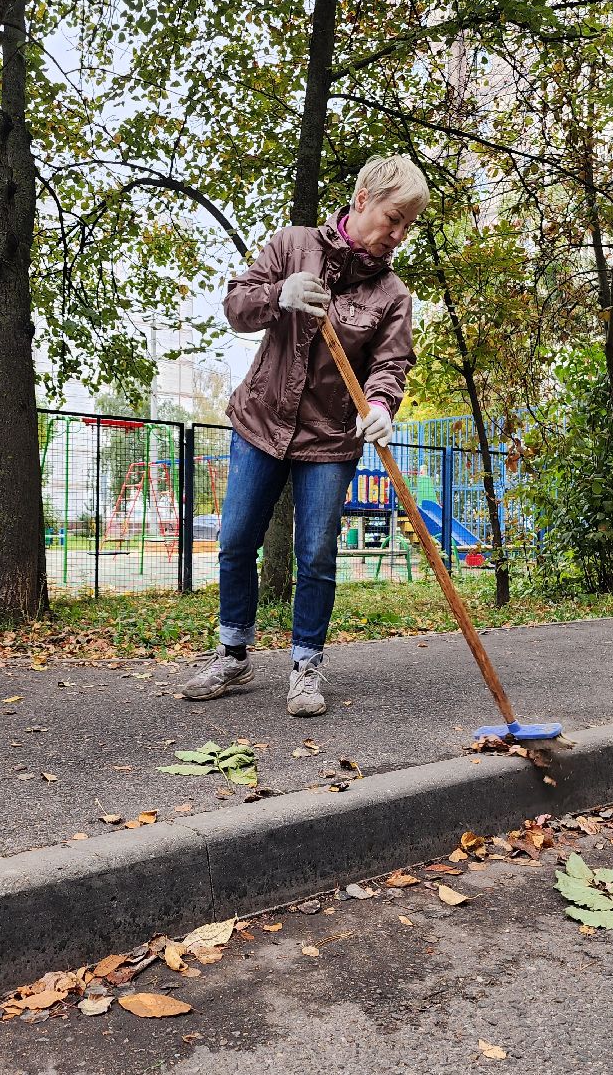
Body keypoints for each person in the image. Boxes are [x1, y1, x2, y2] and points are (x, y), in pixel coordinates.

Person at [182, 155, 429, 717]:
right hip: (260, 422)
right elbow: (236, 308)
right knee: (236, 540)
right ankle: (234, 654)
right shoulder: (292, 247)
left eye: (407, 226)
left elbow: (390, 365)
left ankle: (305, 665)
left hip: (330, 438)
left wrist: (383, 406)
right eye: (393, 218)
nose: (398, 235)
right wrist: (279, 295)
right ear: (362, 199)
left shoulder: (392, 295)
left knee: (316, 553)